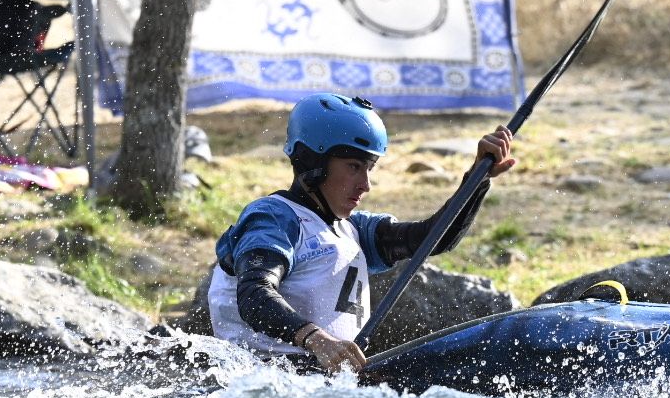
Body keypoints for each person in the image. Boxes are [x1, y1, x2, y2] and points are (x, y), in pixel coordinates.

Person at [209, 92, 515, 374]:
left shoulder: (353, 229)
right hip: (263, 379)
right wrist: (317, 340)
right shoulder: (273, 218)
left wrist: (477, 178)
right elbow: (254, 295)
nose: (365, 184)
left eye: (369, 168)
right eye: (354, 167)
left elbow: (430, 240)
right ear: (314, 163)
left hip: (323, 383)